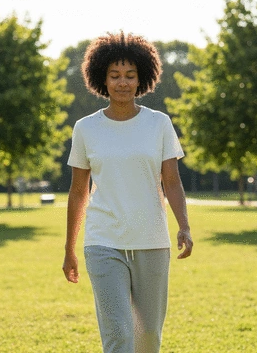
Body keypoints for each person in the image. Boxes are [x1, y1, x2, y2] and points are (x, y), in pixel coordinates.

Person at [62, 31, 193, 353]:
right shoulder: (86, 128)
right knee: (119, 331)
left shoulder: (159, 123)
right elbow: (79, 191)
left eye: (130, 76)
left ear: (142, 79)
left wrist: (185, 226)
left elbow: (172, 182)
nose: (123, 82)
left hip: (151, 241)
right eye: (115, 75)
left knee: (147, 336)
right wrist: (69, 248)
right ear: (102, 79)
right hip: (103, 241)